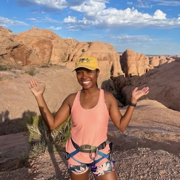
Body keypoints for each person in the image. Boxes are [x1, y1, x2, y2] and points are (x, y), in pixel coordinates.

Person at [29, 56, 149, 180]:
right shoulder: (71, 99)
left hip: (101, 154)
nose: (84, 76)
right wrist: (39, 96)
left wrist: (133, 102)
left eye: (89, 72)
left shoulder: (107, 98)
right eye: (79, 72)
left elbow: (121, 125)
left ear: (97, 73)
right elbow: (52, 124)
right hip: (76, 155)